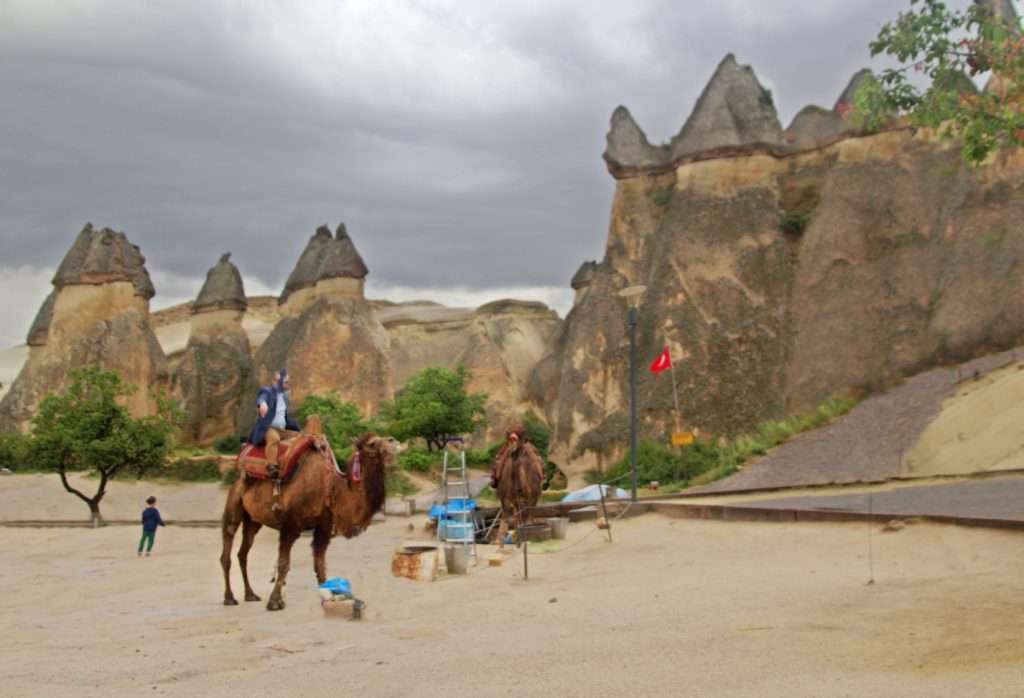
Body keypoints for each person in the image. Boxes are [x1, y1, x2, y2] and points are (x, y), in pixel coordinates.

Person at [248, 368, 301, 472]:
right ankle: (271, 465)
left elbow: (283, 416)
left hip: (282, 429)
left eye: (287, 382)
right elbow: (261, 398)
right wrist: (262, 404)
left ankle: (291, 462)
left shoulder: (285, 396)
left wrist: (296, 427)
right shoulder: (267, 392)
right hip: (269, 428)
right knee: (274, 438)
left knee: (302, 438)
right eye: (284, 382)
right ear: (274, 382)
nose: (286, 384)